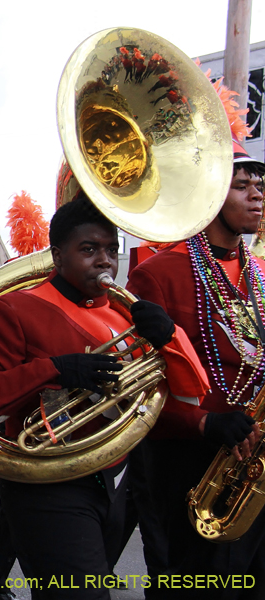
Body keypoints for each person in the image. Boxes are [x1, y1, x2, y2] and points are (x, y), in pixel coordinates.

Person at [0, 194, 206, 599]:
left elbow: (188, 393)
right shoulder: (16, 308)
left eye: (112, 250)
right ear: (58, 255)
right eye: (88, 249)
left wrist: (169, 338)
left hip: (116, 476)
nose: (105, 260)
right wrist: (54, 369)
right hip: (46, 482)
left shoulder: (128, 316)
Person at [127, 139, 265, 598]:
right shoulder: (159, 273)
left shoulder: (261, 274)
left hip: (253, 459)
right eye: (242, 185)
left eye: (260, 185)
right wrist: (205, 422)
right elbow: (139, 390)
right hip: (184, 463)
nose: (257, 194)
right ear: (209, 195)